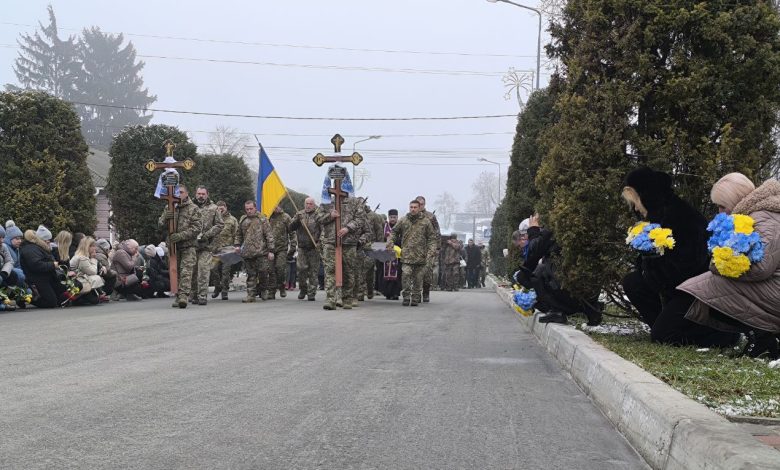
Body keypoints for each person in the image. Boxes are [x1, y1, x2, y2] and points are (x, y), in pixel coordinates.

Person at [620, 167, 737, 346]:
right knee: (632, 283)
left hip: (693, 291)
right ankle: (663, 326)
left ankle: (719, 336)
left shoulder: (682, 217)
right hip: (673, 288)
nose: (635, 207)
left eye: (636, 201)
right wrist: (646, 257)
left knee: (663, 335)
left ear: (646, 196)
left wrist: (653, 260)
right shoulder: (657, 216)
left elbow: (688, 268)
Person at [678, 173, 780, 358]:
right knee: (706, 286)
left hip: (775, 288)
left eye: (722, 206)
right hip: (773, 286)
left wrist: (719, 264)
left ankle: (763, 337)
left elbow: (762, 266)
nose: (719, 212)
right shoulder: (759, 213)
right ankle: (761, 338)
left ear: (735, 200)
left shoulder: (765, 217)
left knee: (708, 288)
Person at [511, 215, 603, 326]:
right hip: (587, 288)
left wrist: (534, 231)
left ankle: (558, 310)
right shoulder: (571, 223)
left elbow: (534, 253)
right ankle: (590, 309)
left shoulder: (550, 230)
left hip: (572, 287)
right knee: (535, 272)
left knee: (535, 273)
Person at [317, 193, 366, 310]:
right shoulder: (327, 202)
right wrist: (330, 215)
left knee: (348, 270)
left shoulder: (356, 202)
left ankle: (347, 298)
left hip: (349, 242)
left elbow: (360, 219)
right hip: (331, 241)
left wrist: (348, 228)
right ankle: (330, 299)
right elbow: (318, 218)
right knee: (330, 270)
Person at [159, 184, 202, 309]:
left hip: (188, 246)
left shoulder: (193, 209)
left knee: (186, 271)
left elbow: (197, 228)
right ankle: (178, 295)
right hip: (173, 247)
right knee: (175, 271)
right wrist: (165, 218)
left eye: (181, 192)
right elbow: (160, 225)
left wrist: (181, 235)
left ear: (187, 194)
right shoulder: (170, 207)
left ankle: (184, 296)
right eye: (177, 192)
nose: (179, 194)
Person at [389, 199, 438, 306]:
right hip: (406, 256)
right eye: (411, 207)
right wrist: (390, 243)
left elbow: (432, 238)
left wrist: (431, 251)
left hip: (421, 257)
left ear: (419, 208)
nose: (413, 209)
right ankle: (406, 296)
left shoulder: (426, 222)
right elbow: (394, 232)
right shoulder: (403, 220)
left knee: (418, 278)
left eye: (415, 207)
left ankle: (415, 297)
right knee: (405, 275)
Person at [234, 200, 275, 303]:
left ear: (255, 208)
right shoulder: (243, 220)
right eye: (247, 209)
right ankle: (250, 295)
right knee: (251, 274)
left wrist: (271, 250)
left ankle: (264, 289)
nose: (249, 211)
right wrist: (237, 245)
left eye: (251, 209)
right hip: (248, 252)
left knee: (263, 272)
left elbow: (269, 235)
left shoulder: (262, 219)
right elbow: (238, 234)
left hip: (261, 252)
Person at [190, 186, 224, 305]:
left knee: (203, 270)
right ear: (195, 193)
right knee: (192, 272)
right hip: (191, 245)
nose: (201, 196)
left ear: (207, 194)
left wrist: (207, 234)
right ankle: (193, 294)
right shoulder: (190, 207)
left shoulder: (214, 208)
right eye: (199, 193)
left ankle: (202, 295)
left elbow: (220, 224)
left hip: (206, 245)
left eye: (203, 194)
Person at [19, 226, 67, 308]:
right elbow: (36, 265)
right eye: (46, 239)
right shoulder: (30, 249)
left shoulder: (38, 247)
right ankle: (25, 299)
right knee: (51, 302)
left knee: (60, 296)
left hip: (46, 276)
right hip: (38, 279)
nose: (48, 241)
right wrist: (52, 265)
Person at [290, 197, 321, 301]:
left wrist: (319, 242)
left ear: (314, 204)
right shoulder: (300, 214)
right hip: (302, 247)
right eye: (306, 203)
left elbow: (323, 230)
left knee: (313, 271)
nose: (308, 205)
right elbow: (291, 227)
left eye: (310, 204)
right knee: (301, 269)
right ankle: (303, 289)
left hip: (314, 247)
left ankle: (312, 292)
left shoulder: (318, 215)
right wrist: (297, 220)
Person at [211, 201, 238, 300]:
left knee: (225, 271)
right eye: (219, 207)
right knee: (213, 269)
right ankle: (217, 287)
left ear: (226, 207)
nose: (221, 209)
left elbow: (236, 235)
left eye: (222, 207)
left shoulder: (232, 220)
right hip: (215, 250)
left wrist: (236, 247)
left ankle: (225, 291)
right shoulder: (213, 219)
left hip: (228, 250)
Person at [415, 196, 441, 303]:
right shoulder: (411, 217)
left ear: (424, 204)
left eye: (422, 204)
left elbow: (437, 232)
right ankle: (416, 293)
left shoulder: (430, 217)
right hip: (415, 249)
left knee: (427, 272)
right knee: (415, 272)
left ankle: (426, 292)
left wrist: (437, 248)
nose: (420, 206)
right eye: (418, 204)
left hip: (428, 249)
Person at [268, 205, 296, 299]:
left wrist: (293, 246)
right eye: (274, 206)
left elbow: (292, 232)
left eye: (277, 206)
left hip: (282, 248)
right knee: (271, 270)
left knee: (280, 268)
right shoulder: (268, 216)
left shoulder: (286, 217)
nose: (275, 208)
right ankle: (272, 291)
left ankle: (282, 286)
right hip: (269, 249)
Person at [69, 236, 106, 305]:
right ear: (87, 246)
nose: (94, 248)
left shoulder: (80, 255)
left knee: (95, 300)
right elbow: (92, 272)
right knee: (97, 278)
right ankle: (78, 298)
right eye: (92, 246)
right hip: (78, 282)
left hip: (79, 280)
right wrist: (93, 258)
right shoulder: (82, 258)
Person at [380, 209, 402, 300]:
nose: (393, 219)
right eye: (391, 217)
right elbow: (381, 238)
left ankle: (395, 293)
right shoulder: (385, 226)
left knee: (397, 274)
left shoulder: (400, 226)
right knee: (385, 273)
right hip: (386, 253)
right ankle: (387, 293)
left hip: (397, 253)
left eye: (394, 217)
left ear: (397, 217)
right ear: (389, 217)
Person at [2, 224, 26, 288]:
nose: (20, 241)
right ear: (9, 239)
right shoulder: (5, 247)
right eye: (17, 239)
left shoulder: (16, 249)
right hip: (8, 277)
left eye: (20, 238)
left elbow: (18, 265)